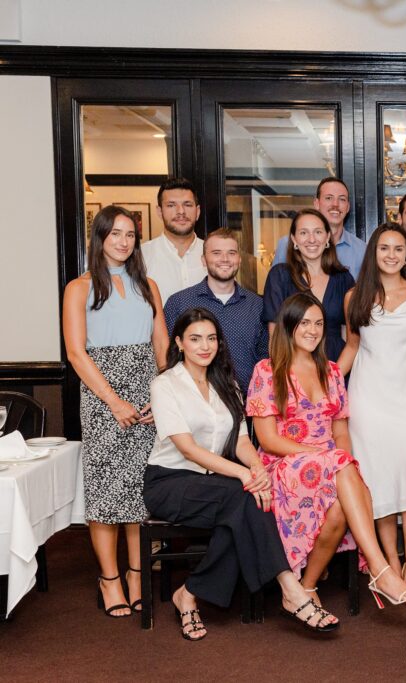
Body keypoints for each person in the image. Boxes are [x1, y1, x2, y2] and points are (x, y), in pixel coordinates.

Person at [144, 308, 342, 638]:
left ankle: (189, 594)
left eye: (211, 338)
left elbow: (241, 441)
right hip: (171, 481)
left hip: (216, 484)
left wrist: (258, 468)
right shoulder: (165, 384)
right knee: (245, 498)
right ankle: (291, 591)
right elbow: (189, 449)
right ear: (179, 343)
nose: (204, 346)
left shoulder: (228, 383)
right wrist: (244, 474)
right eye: (195, 339)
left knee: (245, 507)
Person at [247, 292, 406, 609]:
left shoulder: (331, 372)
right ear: (288, 326)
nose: (313, 330)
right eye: (304, 323)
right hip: (284, 467)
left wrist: (337, 460)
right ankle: (380, 568)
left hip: (330, 467)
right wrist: (320, 455)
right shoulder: (267, 370)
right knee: (341, 465)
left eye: (318, 323)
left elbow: (340, 432)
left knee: (343, 498)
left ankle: (307, 586)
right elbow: (268, 439)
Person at [62, 205, 169, 618]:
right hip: (102, 394)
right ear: (100, 238)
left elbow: (161, 346)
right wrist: (113, 400)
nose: (124, 242)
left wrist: (162, 395)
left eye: (130, 235)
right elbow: (76, 351)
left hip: (147, 393)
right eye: (115, 234)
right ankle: (110, 579)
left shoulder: (149, 285)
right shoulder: (79, 287)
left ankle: (138, 574)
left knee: (141, 491)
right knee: (107, 490)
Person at [339, 223, 406, 603]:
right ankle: (391, 564)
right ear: (374, 253)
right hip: (369, 401)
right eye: (385, 248)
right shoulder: (355, 296)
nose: (392, 255)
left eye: (399, 249)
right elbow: (352, 346)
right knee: (379, 484)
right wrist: (329, 384)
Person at [163, 228, 266, 391]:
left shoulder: (258, 305)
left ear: (239, 259)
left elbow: (265, 360)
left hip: (248, 405)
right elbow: (168, 356)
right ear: (203, 260)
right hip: (194, 403)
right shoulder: (179, 303)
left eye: (231, 253)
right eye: (216, 253)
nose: (225, 259)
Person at [262, 208, 355, 363]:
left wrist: (335, 379)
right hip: (293, 371)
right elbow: (275, 337)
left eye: (318, 232)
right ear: (294, 239)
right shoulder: (279, 276)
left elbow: (349, 338)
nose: (312, 239)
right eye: (304, 233)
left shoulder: (344, 279)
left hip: (337, 368)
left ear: (327, 237)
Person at [272, 177, 367, 278]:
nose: (335, 204)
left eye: (342, 199)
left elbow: (367, 291)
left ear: (348, 207)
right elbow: (276, 285)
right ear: (316, 203)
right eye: (329, 198)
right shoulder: (287, 245)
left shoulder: (361, 250)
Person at [141, 177, 206, 305]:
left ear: (197, 211)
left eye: (187, 205)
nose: (181, 211)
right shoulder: (141, 256)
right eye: (171, 205)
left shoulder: (216, 254)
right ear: (159, 212)